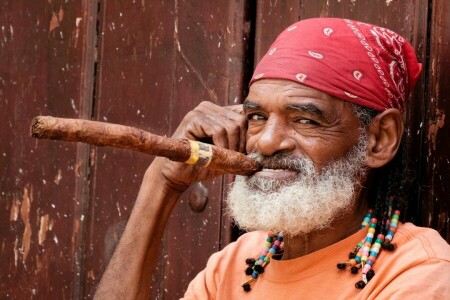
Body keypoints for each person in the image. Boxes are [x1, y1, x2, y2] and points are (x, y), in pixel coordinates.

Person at [94, 18, 450, 299]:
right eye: (257, 117)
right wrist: (162, 182)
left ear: (378, 140)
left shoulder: (418, 272)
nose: (265, 143)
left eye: (305, 120)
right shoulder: (239, 263)